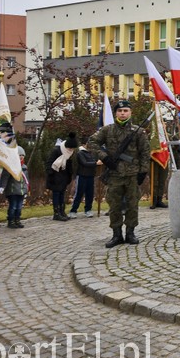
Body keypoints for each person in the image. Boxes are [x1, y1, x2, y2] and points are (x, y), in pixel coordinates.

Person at [88, 99, 150, 248]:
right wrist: (105, 158)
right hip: (114, 174)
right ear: (116, 113)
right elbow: (91, 143)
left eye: (125, 111)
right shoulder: (107, 130)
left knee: (132, 205)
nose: (122, 113)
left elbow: (145, 153)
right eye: (120, 111)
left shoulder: (138, 132)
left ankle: (130, 233)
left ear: (130, 112)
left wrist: (143, 171)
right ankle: (116, 235)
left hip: (132, 174)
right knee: (114, 206)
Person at [46, 133, 78, 221]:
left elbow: (69, 165)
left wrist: (70, 175)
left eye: (72, 148)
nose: (71, 150)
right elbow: (49, 162)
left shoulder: (70, 153)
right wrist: (50, 174)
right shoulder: (57, 150)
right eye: (70, 148)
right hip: (55, 175)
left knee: (62, 195)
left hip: (64, 176)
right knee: (56, 194)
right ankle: (56, 213)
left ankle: (62, 211)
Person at [0, 146, 29, 228]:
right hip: (13, 190)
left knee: (19, 207)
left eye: (22, 155)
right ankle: (11, 221)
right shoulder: (10, 166)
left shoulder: (24, 167)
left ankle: (17, 219)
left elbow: (26, 180)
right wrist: (2, 187)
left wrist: (26, 189)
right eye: (19, 155)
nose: (21, 157)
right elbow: (5, 177)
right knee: (13, 206)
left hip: (21, 190)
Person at [68, 137, 100, 218]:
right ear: (84, 144)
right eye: (89, 143)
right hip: (82, 176)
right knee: (79, 193)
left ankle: (88, 210)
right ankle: (73, 210)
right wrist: (96, 163)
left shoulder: (91, 153)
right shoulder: (80, 153)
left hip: (91, 176)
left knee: (90, 194)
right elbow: (84, 163)